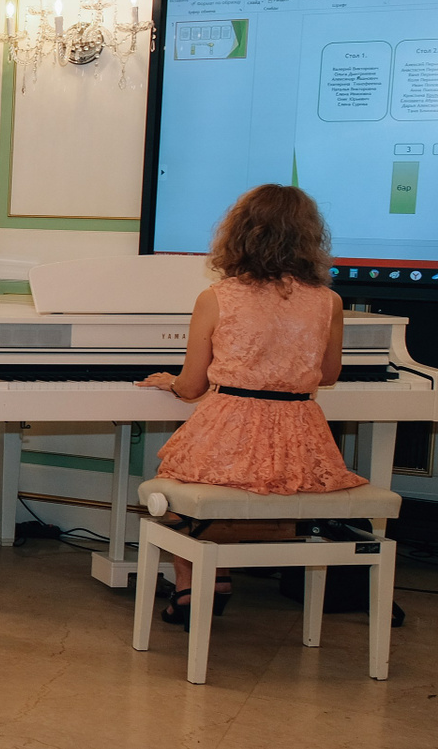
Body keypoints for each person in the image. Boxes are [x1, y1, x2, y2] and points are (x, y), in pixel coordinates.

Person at [137, 184, 365, 627]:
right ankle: (217, 576)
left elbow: (192, 386)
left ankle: (193, 584)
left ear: (240, 233)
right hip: (301, 439)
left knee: (172, 487)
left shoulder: (217, 297)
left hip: (232, 424)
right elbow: (328, 375)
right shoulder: (330, 301)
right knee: (227, 487)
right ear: (310, 237)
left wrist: (171, 384)